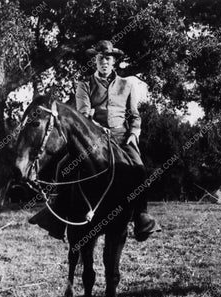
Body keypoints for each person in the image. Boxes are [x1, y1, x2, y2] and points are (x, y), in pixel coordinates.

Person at [30, 40, 159, 241]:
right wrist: (96, 128)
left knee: (139, 168)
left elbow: (134, 115)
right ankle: (56, 215)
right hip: (93, 135)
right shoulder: (84, 84)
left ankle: (142, 216)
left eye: (108, 59)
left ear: (114, 61)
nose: (104, 62)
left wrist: (133, 134)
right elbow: (82, 115)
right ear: (95, 61)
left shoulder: (127, 85)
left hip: (122, 136)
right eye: (100, 59)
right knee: (64, 165)